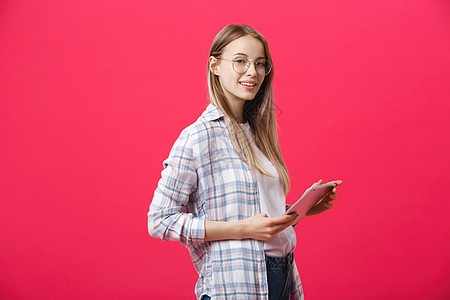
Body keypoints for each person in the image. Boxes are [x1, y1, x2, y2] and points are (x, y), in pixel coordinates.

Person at [147, 24, 342, 300]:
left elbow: (251, 209)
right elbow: (159, 221)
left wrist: (298, 211)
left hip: (283, 273)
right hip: (238, 283)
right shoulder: (197, 138)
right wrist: (243, 229)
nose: (252, 71)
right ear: (214, 65)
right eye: (240, 61)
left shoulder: (259, 131)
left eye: (260, 63)